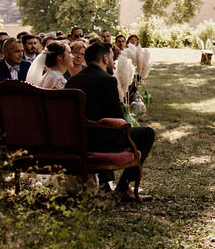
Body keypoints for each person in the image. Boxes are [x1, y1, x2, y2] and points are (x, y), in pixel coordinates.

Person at [66, 42, 155, 201]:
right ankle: (123, 187)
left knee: (105, 131)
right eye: (113, 58)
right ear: (105, 59)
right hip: (102, 141)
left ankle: (105, 186)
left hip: (77, 138)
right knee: (147, 133)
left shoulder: (73, 80)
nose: (114, 63)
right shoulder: (107, 80)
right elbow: (117, 118)